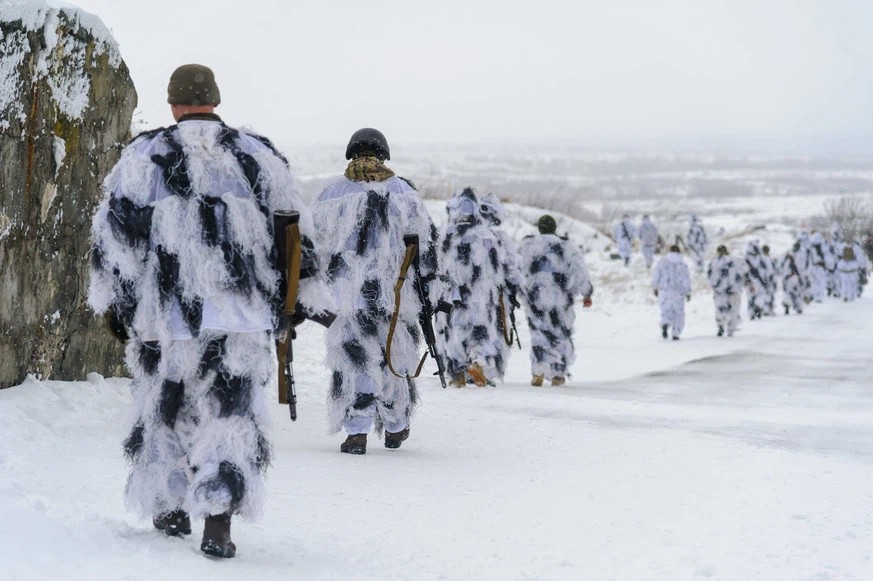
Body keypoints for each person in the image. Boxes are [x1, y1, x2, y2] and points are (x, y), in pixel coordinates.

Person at [88, 64, 330, 558]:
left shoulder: (143, 156)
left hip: (166, 317)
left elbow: (115, 242)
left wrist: (120, 305)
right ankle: (217, 521)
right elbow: (295, 233)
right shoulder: (258, 156)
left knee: (166, 406)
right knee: (230, 413)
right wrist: (293, 302)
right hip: (240, 315)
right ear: (215, 101)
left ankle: (171, 505)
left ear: (173, 104)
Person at [310, 128, 440, 455]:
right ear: (384, 154)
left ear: (351, 152)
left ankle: (357, 432)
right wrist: (430, 295)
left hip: (348, 297)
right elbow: (426, 247)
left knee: (355, 360)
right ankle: (396, 425)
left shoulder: (331, 193)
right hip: (397, 297)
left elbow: (314, 245)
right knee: (393, 358)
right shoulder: (404, 192)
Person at [436, 187, 508, 387]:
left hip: (452, 294)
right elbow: (498, 264)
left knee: (454, 331)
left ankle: (456, 373)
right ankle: (478, 360)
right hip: (480, 293)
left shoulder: (447, 234)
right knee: (481, 330)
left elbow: (439, 265)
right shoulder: (485, 235)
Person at [519, 215, 593, 386]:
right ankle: (557, 373)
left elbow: (517, 269)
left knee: (538, 332)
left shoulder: (528, 246)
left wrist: (516, 292)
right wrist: (586, 293)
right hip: (560, 297)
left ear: (539, 228)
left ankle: (538, 371)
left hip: (535, 296)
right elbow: (579, 271)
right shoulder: (566, 246)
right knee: (560, 333)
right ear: (554, 228)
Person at [652, 244, 691, 340]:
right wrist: (688, 292)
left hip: (665, 290)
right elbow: (686, 279)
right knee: (678, 313)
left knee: (666, 310)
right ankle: (675, 333)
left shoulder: (662, 262)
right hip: (679, 292)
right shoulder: (682, 264)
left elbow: (656, 275)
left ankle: (665, 324)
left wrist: (655, 287)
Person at [706, 245, 743, 337]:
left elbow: (710, 276)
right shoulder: (734, 261)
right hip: (733, 290)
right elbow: (739, 275)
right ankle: (730, 329)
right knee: (734, 310)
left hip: (720, 290)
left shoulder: (714, 262)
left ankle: (721, 325)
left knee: (720, 309)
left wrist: (715, 286)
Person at [743, 241, 768, 320]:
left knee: (755, 298)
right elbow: (744, 272)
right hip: (752, 282)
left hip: (757, 281)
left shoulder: (760, 259)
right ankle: (754, 312)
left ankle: (756, 311)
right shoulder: (748, 259)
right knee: (753, 298)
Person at [780, 242, 805, 315]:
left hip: (790, 277)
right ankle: (795, 307)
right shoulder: (798, 255)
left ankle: (793, 307)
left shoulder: (788, 256)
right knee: (795, 293)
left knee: (790, 293)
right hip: (792, 277)